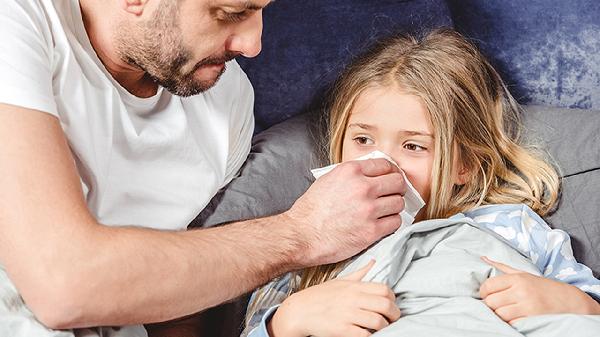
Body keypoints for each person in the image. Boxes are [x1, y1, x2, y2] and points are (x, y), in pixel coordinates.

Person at [0, 0, 408, 336]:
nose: (253, 45)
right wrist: (301, 233)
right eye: (230, 13)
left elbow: (180, 304)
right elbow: (63, 284)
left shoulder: (226, 100)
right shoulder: (19, 22)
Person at [242, 28, 600, 337]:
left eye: (413, 146)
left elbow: (588, 309)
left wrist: (571, 303)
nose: (380, 163)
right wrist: (291, 317)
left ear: (466, 166)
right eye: (363, 140)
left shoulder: (512, 227)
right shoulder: (314, 243)